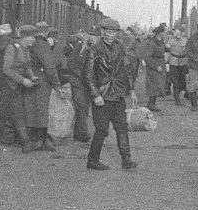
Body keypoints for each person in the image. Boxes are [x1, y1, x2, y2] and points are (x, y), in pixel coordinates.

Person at [84, 17, 137, 171]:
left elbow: (127, 70)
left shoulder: (120, 48)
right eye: (108, 31)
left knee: (122, 128)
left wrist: (132, 90)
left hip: (118, 94)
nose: (110, 35)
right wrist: (95, 95)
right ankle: (92, 160)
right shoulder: (94, 49)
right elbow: (88, 75)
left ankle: (126, 160)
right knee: (101, 130)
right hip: (102, 94)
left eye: (113, 32)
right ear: (102, 32)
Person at [0, 25, 44, 154]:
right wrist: (23, 80)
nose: (34, 40)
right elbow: (6, 69)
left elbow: (27, 66)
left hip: (15, 85)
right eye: (32, 37)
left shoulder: (25, 50)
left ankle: (9, 139)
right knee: (16, 112)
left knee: (15, 112)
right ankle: (25, 144)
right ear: (24, 37)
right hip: (8, 85)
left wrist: (32, 76)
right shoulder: (11, 48)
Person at [27, 26, 64, 151]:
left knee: (33, 109)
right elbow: (49, 66)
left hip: (31, 79)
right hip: (42, 81)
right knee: (42, 110)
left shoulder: (31, 43)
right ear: (46, 32)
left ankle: (35, 138)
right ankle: (40, 140)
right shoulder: (42, 45)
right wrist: (56, 83)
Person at [64, 28, 94, 143]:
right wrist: (80, 75)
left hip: (86, 83)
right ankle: (82, 133)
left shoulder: (92, 49)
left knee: (85, 106)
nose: (93, 38)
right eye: (90, 35)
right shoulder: (79, 46)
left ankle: (78, 132)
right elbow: (71, 62)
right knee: (80, 106)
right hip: (77, 81)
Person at [142, 24, 168, 112]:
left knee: (158, 86)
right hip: (154, 67)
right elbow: (147, 57)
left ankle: (152, 104)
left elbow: (163, 51)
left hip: (161, 65)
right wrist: (156, 67)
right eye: (164, 32)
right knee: (153, 86)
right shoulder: (152, 43)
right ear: (160, 33)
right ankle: (151, 104)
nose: (166, 33)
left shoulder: (161, 42)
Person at [166, 25, 189, 106]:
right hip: (173, 62)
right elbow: (167, 49)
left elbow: (189, 50)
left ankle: (185, 95)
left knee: (183, 80)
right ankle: (177, 99)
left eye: (176, 30)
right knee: (175, 81)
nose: (174, 32)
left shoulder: (186, 40)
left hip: (183, 62)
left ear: (181, 32)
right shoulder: (170, 40)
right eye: (174, 31)